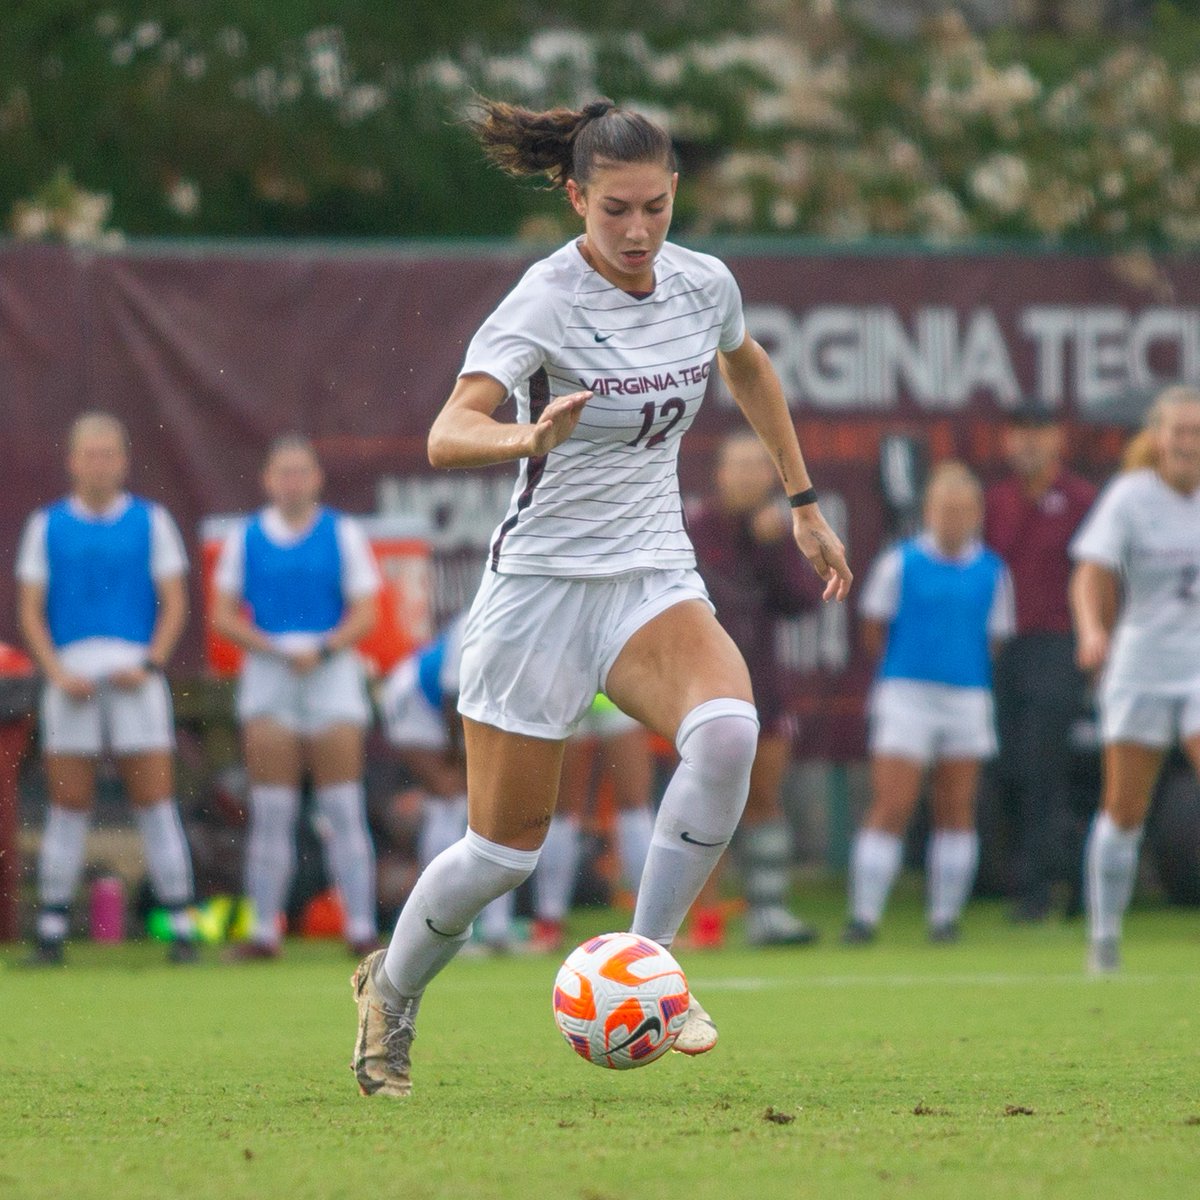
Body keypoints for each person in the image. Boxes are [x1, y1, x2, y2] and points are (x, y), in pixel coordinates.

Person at [351, 96, 851, 1098]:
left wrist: (801, 501)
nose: (636, 232)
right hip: (538, 591)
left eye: (656, 208)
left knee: (726, 736)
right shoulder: (544, 299)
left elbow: (746, 365)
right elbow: (450, 432)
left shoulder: (703, 283)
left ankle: (646, 965)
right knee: (501, 854)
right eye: (615, 209)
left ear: (676, 197)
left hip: (648, 574)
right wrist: (524, 438)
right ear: (576, 197)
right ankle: (389, 992)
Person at [16, 411, 197, 965]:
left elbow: (175, 601)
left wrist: (150, 663)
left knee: (154, 800)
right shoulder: (46, 525)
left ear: (123, 460)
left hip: (134, 672)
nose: (99, 464)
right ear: (72, 462)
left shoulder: (151, 520)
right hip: (70, 673)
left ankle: (181, 926)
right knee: (68, 802)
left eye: (109, 453)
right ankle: (50, 928)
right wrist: (55, 671)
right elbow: (30, 609)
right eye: (89, 454)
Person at [212, 435, 382, 959]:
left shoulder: (343, 533)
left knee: (342, 808)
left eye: (301, 471)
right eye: (283, 472)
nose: (292, 481)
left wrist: (325, 649)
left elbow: (365, 610)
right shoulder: (246, 538)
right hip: (270, 676)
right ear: (267, 479)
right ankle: (265, 930)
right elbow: (222, 614)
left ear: (316, 477)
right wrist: (271, 647)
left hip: (330, 675)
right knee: (271, 809)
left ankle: (361, 927)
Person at [844, 462, 1014, 944]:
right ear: (928, 511)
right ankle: (864, 917)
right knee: (893, 802)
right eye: (944, 510)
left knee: (957, 805)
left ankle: (945, 918)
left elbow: (995, 637)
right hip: (906, 694)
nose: (953, 519)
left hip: (967, 695)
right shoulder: (900, 563)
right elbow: (875, 627)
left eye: (963, 510)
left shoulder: (992, 571)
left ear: (978, 513)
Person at [1069, 385, 1200, 974]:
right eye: (1181, 431)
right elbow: (1090, 571)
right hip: (1142, 664)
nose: (1190, 442)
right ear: (1158, 437)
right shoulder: (1130, 496)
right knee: (1123, 808)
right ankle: (1104, 939)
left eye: (1198, 431)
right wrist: (1093, 630)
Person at [686, 431, 822, 947]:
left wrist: (774, 549)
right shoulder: (698, 528)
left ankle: (769, 913)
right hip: (703, 686)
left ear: (770, 477)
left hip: (763, 685)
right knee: (704, 800)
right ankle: (703, 921)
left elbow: (802, 602)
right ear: (720, 475)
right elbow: (702, 592)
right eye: (736, 466)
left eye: (755, 466)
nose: (745, 476)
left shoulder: (779, 531)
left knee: (764, 798)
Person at [985, 400, 1096, 921]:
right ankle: (1061, 881)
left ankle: (1042, 890)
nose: (1027, 444)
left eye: (1038, 433)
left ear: (1058, 440)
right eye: (1019, 433)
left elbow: (1100, 575)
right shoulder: (996, 500)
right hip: (1003, 650)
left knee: (1043, 769)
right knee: (1011, 771)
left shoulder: (1080, 500)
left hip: (1057, 646)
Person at [379, 613, 514, 951]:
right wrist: (462, 758)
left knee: (488, 806)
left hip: (461, 712)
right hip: (417, 704)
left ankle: (496, 927)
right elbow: (452, 698)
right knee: (452, 800)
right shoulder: (479, 617)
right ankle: (436, 924)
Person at [528, 692, 654, 953]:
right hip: (568, 690)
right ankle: (549, 920)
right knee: (561, 809)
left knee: (634, 806)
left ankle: (650, 924)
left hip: (614, 691)